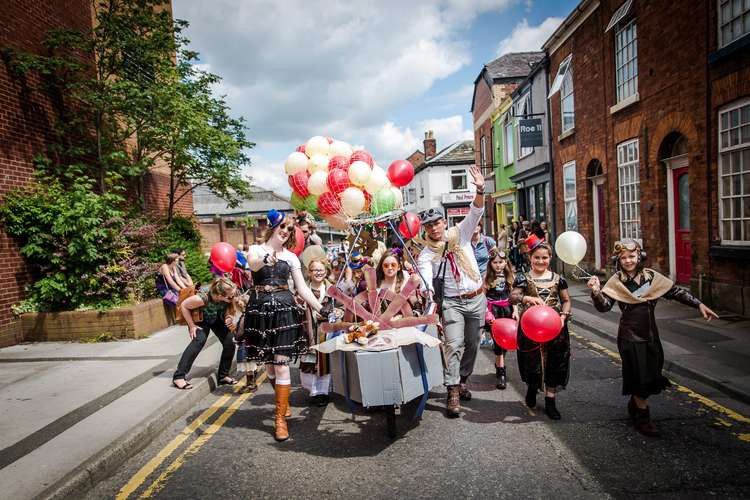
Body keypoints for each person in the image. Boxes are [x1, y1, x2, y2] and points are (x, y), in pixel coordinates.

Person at [586, 239, 718, 436]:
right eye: (624, 257)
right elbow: (604, 307)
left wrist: (699, 304)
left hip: (651, 335)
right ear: (618, 260)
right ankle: (643, 416)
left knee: (652, 375)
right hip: (630, 337)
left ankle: (634, 403)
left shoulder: (652, 278)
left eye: (632, 256)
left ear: (640, 256)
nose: (628, 261)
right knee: (639, 378)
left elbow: (675, 292)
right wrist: (596, 292)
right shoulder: (616, 281)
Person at [238, 209, 323, 441]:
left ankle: (280, 419)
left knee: (282, 365)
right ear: (273, 227)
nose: (286, 231)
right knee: (270, 367)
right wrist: (267, 258)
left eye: (289, 228)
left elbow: (302, 288)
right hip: (260, 311)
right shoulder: (257, 250)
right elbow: (254, 265)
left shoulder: (291, 257)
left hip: (284, 311)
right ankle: (281, 402)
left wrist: (320, 308)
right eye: (283, 227)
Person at [417, 165, 487, 418]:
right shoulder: (427, 253)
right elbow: (425, 279)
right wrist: (425, 291)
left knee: (472, 343)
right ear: (425, 229)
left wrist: (479, 188)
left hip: (477, 297)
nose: (434, 228)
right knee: (454, 344)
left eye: (437, 222)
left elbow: (476, 210)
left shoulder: (461, 234)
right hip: (452, 303)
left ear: (443, 222)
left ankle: (463, 378)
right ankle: (452, 390)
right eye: (429, 225)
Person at [511, 234, 571, 420]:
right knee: (532, 362)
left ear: (550, 258)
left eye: (544, 257)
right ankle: (531, 387)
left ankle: (550, 401)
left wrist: (563, 316)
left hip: (555, 328)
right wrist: (525, 298)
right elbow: (513, 297)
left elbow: (566, 300)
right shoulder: (523, 278)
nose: (540, 261)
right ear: (530, 258)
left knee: (554, 362)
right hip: (530, 328)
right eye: (536, 257)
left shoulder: (558, 279)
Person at [172, 277, 240, 390]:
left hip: (217, 317)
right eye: (230, 296)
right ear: (219, 296)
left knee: (230, 341)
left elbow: (230, 308)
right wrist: (192, 326)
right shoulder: (202, 298)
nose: (233, 297)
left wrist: (229, 317)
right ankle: (178, 377)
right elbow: (184, 305)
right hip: (201, 320)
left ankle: (223, 376)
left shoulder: (228, 296)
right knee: (199, 340)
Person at [299, 257, 335, 406]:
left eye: (321, 270)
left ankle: (323, 393)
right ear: (309, 272)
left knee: (325, 362)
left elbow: (342, 308)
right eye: (315, 270)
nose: (318, 273)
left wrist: (332, 313)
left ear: (326, 272)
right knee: (310, 362)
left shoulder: (333, 289)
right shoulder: (302, 290)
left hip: (327, 333)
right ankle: (313, 391)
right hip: (308, 333)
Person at [484, 249, 517, 390]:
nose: (498, 265)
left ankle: (499, 363)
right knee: (498, 342)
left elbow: (514, 296)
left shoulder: (510, 276)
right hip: (494, 311)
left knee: (506, 341)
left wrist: (515, 310)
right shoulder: (487, 277)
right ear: (490, 263)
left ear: (506, 262)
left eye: (501, 262)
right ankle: (501, 373)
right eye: (495, 262)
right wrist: (486, 312)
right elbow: (482, 297)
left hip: (507, 310)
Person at [375, 249, 420, 314]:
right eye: (386, 265)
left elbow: (417, 308)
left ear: (399, 267)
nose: (390, 268)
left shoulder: (406, 282)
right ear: (382, 268)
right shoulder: (377, 285)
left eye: (393, 265)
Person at [156, 253, 187, 322]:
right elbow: (170, 281)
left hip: (171, 288)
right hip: (163, 288)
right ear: (172, 261)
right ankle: (182, 317)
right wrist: (180, 290)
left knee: (184, 297)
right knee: (177, 300)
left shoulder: (173, 267)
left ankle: (184, 317)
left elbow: (177, 279)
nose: (178, 261)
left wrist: (185, 288)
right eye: (177, 260)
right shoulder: (164, 267)